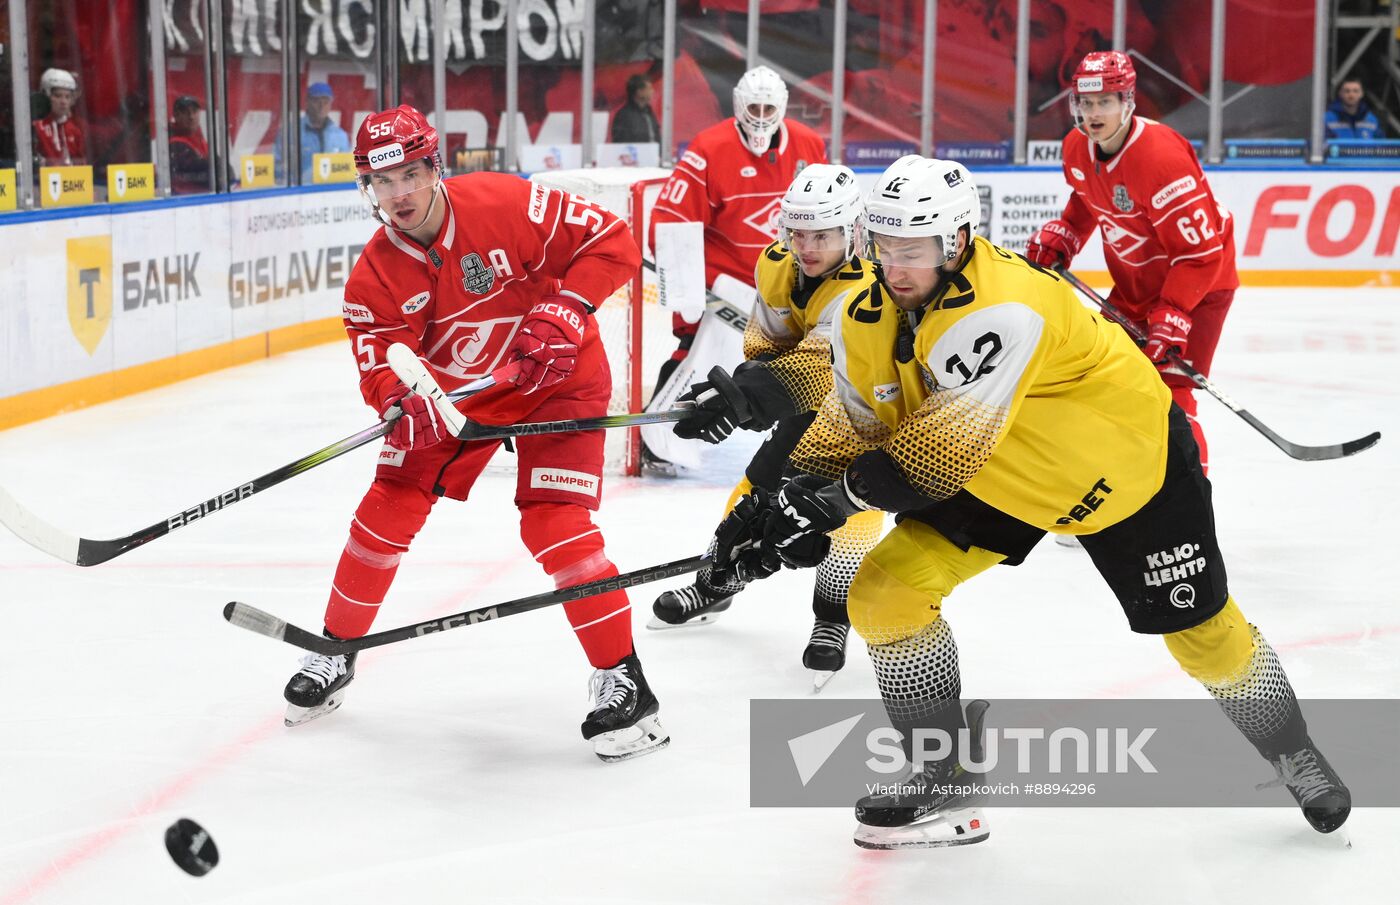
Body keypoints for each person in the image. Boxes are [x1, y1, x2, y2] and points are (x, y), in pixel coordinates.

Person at [710, 155, 1351, 848]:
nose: (895, 267)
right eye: (884, 246)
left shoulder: (1003, 306)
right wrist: (774, 506)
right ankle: (941, 765)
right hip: (1004, 473)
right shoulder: (870, 314)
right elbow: (856, 427)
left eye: (914, 249)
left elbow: (933, 455)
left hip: (1126, 469)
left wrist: (832, 501)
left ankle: (1293, 750)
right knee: (884, 594)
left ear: (955, 242)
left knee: (1205, 637)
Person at [279, 105, 668, 764]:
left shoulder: (506, 203)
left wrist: (567, 308)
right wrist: (403, 401)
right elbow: (381, 368)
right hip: (455, 397)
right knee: (385, 510)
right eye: (382, 179)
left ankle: (626, 681)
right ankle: (335, 649)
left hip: (556, 377)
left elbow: (613, 239)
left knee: (554, 522)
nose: (398, 192)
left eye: (409, 173)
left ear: (436, 168)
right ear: (366, 188)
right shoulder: (372, 279)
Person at [651, 164, 882, 689]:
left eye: (821, 233)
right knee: (753, 493)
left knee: (848, 517)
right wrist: (740, 394)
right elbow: (764, 348)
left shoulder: (867, 287)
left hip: (865, 413)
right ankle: (716, 583)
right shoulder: (776, 263)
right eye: (798, 231)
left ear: (852, 232)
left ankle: (831, 618)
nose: (807, 245)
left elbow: (823, 366)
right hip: (808, 404)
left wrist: (747, 399)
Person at [1027, 51, 1235, 478]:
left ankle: (1188, 504)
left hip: (1198, 288)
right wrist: (1066, 232)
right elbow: (1087, 197)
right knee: (1100, 377)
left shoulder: (1162, 159)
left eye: (1105, 101)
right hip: (1135, 288)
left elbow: (1200, 255)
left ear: (1128, 101)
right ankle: (1102, 490)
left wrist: (1175, 312)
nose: (1093, 113)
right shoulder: (1076, 148)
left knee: (1171, 393)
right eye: (1086, 103)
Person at [640, 64, 828, 476]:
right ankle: (658, 440)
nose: (760, 116)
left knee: (806, 361)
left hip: (786, 283)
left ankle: (802, 444)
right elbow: (670, 222)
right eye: (753, 106)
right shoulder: (708, 148)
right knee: (694, 348)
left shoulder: (810, 145)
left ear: (782, 107)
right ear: (739, 106)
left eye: (768, 107)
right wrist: (691, 288)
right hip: (722, 282)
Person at [286, 81, 351, 183]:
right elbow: (281, 168)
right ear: (307, 102)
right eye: (317, 101)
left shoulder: (340, 135)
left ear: (330, 104)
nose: (321, 106)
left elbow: (347, 170)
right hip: (301, 193)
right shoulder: (291, 133)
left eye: (325, 101)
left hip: (333, 193)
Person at [32, 68, 86, 166]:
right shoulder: (36, 128)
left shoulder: (75, 130)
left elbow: (81, 165)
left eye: (67, 97)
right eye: (57, 96)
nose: (63, 102)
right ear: (45, 95)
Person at [169, 96, 212, 195]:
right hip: (185, 200)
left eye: (194, 111)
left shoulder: (201, 141)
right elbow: (208, 176)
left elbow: (227, 172)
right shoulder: (176, 144)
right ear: (176, 115)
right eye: (185, 112)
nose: (191, 116)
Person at [609, 73, 660, 144]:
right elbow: (621, 143)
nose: (652, 91)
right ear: (639, 92)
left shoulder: (649, 112)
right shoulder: (624, 116)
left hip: (652, 153)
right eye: (649, 88)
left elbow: (657, 136)